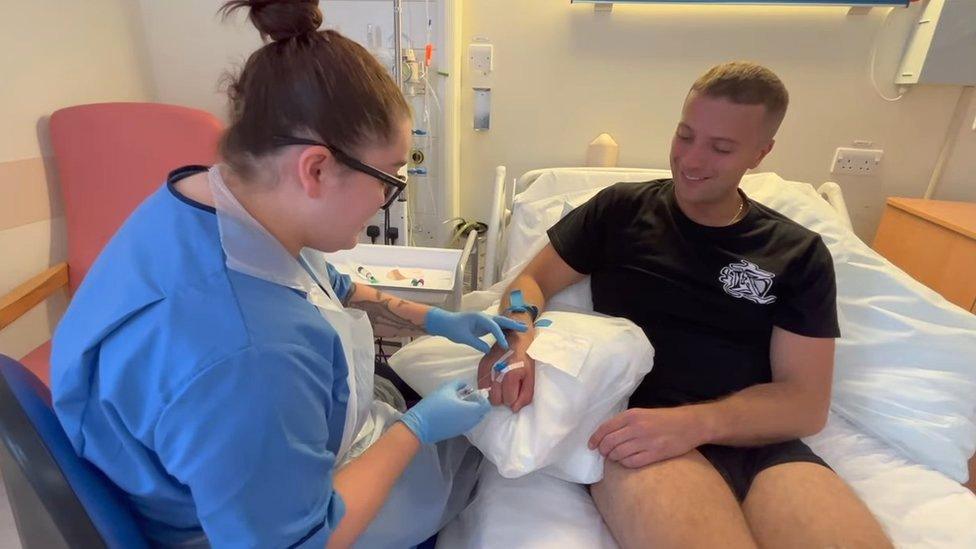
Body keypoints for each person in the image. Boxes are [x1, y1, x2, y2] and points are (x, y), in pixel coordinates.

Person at [50, 1, 524, 547]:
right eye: (390, 178)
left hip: (219, 462)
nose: (387, 199)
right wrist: (414, 434)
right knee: (481, 471)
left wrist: (431, 318)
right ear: (316, 169)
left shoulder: (210, 201)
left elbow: (329, 283)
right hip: (248, 523)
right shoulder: (249, 355)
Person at [478, 61, 891, 547]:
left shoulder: (796, 253)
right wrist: (517, 336)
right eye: (685, 136)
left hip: (762, 445)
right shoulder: (621, 211)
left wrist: (698, 422)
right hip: (640, 433)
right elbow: (533, 279)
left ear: (761, 153)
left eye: (720, 148)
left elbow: (805, 402)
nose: (691, 161)